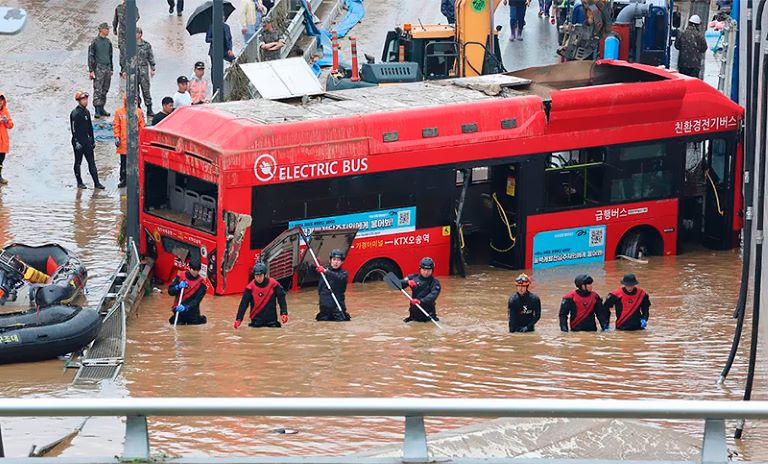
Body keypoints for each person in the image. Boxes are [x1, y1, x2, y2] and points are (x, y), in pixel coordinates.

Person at [234, 261, 289, 328]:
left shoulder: (273, 284)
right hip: (256, 322)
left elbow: (281, 298)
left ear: (264, 274)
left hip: (272, 321)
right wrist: (239, 319)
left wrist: (284, 313)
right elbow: (243, 304)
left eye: (260, 276)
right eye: (256, 276)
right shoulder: (250, 288)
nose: (258, 278)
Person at [70, 91, 105, 190]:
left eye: (86, 99)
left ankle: (97, 183)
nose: (85, 101)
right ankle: (79, 182)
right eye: (83, 99)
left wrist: (92, 140)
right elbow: (73, 129)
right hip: (78, 141)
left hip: (87, 141)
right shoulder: (75, 113)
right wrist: (76, 141)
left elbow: (90, 127)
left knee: (92, 162)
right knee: (78, 162)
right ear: (79, 101)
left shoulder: (87, 112)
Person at [113, 94, 146, 188]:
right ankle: (123, 179)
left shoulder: (138, 112)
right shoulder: (119, 112)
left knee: (135, 163)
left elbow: (142, 126)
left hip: (135, 143)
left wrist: (140, 140)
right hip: (123, 143)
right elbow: (116, 126)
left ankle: (134, 179)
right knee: (123, 163)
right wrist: (116, 137)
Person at [167, 257, 208, 325]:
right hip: (179, 309)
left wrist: (186, 307)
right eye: (194, 270)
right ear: (189, 268)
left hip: (192, 312)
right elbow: (170, 292)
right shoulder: (180, 277)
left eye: (197, 270)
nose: (195, 272)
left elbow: (196, 300)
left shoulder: (202, 284)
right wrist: (177, 287)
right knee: (177, 324)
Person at [401, 257, 441, 323]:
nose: (426, 272)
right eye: (424, 270)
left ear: (432, 270)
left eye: (429, 270)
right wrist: (406, 282)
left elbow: (433, 295)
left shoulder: (435, 282)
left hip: (429, 317)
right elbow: (398, 284)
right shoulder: (413, 278)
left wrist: (420, 301)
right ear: (420, 269)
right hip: (414, 316)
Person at [315, 249, 351, 321]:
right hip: (324, 309)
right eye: (334, 259)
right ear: (330, 260)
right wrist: (315, 265)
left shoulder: (344, 274)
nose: (336, 262)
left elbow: (338, 277)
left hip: (337, 309)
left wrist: (325, 271)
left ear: (342, 262)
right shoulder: (324, 272)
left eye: (338, 260)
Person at [88, 23, 114, 118]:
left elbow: (110, 56)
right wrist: (91, 70)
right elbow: (91, 56)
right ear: (101, 30)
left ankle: (102, 107)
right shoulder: (95, 42)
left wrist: (111, 68)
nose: (108, 31)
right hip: (98, 68)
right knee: (98, 89)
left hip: (107, 67)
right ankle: (97, 109)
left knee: (105, 89)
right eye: (106, 29)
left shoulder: (108, 42)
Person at [113, 0, 140, 74]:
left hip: (129, 33)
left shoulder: (133, 8)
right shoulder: (119, 8)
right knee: (123, 51)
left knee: (128, 51)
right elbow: (115, 20)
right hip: (124, 34)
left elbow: (137, 17)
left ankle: (129, 68)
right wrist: (114, 28)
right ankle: (124, 69)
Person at [134, 27, 156, 118]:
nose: (136, 35)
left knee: (146, 90)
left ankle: (149, 109)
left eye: (137, 33)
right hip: (133, 70)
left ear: (140, 34)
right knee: (135, 91)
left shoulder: (146, 45)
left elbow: (150, 56)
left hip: (143, 70)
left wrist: (152, 67)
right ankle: (138, 109)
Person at [0, 93, 13, 185]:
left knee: (1, 160)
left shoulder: (6, 112)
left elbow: (11, 125)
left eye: (1, 100)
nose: (0, 102)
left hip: (3, 141)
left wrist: (6, 121)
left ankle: (0, 177)